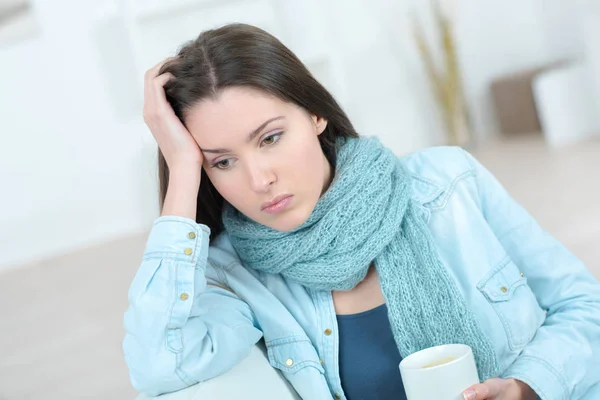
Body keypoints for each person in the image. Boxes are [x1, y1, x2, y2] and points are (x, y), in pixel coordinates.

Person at [123, 23, 600, 400]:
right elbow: (159, 365)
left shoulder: (447, 185)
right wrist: (182, 168)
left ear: (315, 114)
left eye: (270, 138)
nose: (258, 180)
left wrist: (525, 386)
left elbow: (585, 307)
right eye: (222, 161)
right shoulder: (233, 272)